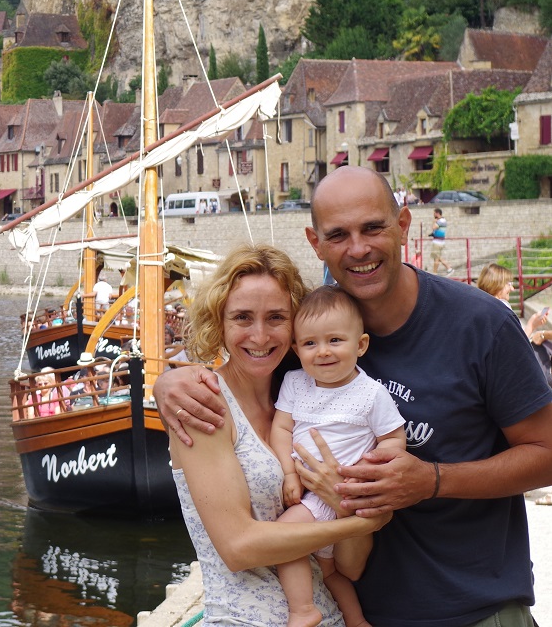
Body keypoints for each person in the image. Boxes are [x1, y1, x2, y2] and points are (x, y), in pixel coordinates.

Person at [158, 166, 552, 627]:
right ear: (315, 243)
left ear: (403, 225)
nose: (359, 248)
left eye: (373, 228)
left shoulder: (479, 325)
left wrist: (434, 480)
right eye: (338, 234)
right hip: (359, 608)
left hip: (472, 609)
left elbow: (546, 453)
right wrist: (168, 381)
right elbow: (244, 355)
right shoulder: (309, 338)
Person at [169, 243, 386, 627]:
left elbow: (350, 567)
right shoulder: (204, 405)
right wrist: (363, 520)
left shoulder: (310, 405)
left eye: (276, 317)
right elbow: (238, 549)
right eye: (242, 317)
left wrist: (342, 500)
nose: (260, 335)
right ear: (219, 321)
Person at [272, 287, 407, 627]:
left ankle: (302, 610)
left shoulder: (371, 394)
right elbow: (281, 428)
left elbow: (393, 438)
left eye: (335, 340)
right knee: (331, 573)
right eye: (310, 343)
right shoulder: (294, 382)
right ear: (296, 349)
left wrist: (368, 472)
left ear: (360, 345)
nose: (323, 352)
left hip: (341, 492)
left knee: (282, 538)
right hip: (308, 493)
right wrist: (289, 473)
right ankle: (357, 621)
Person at [477, 263, 552, 387]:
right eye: (509, 284)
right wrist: (540, 333)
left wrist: (532, 324)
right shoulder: (502, 307)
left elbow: (512, 340)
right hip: (508, 376)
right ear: (497, 283)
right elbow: (515, 346)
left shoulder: (481, 305)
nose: (512, 289)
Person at [427, 207, 452, 275]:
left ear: (437, 213)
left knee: (436, 258)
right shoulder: (444, 220)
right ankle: (448, 268)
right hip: (441, 241)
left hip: (437, 242)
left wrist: (434, 222)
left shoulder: (440, 221)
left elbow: (434, 227)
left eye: (434, 213)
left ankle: (438, 272)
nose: (433, 215)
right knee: (437, 257)